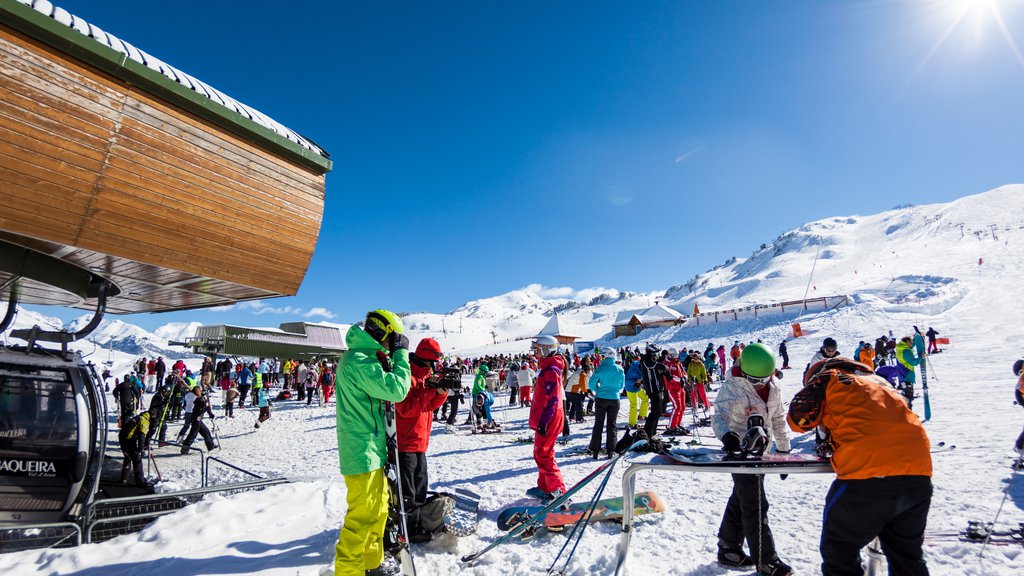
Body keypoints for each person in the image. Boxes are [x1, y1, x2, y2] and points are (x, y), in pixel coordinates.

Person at [789, 357, 932, 576]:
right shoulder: (880, 382)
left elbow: (797, 419)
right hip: (917, 472)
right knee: (907, 557)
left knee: (839, 550)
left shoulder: (829, 378)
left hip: (867, 476)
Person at [333, 309, 411, 576]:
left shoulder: (367, 358)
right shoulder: (359, 361)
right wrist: (401, 356)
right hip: (361, 451)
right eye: (394, 340)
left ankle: (371, 565)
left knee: (377, 512)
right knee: (360, 520)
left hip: (372, 449)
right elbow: (397, 390)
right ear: (384, 334)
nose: (394, 347)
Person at [712, 343, 792, 576]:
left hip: (762, 449)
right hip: (739, 450)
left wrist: (784, 452)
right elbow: (719, 417)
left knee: (742, 497)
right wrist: (727, 436)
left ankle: (728, 547)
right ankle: (767, 560)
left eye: (766, 379)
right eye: (756, 380)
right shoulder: (733, 386)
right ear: (744, 371)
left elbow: (777, 418)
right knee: (755, 503)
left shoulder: (773, 385)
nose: (761, 384)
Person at [395, 338, 448, 543]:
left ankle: (416, 522)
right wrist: (429, 390)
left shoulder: (426, 376)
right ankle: (409, 527)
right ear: (427, 359)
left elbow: (428, 406)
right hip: (406, 442)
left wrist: (440, 393)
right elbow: (406, 409)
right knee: (408, 491)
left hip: (420, 441)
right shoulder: (407, 376)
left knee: (420, 487)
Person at [527, 335, 567, 500]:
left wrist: (544, 421)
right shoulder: (548, 367)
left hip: (549, 416)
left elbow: (553, 399)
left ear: (545, 350)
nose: (535, 353)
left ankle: (558, 491)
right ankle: (545, 487)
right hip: (547, 415)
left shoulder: (551, 370)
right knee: (540, 453)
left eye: (537, 349)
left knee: (544, 455)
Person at [588, 350, 624, 458]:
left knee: (598, 424)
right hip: (614, 398)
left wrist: (598, 389)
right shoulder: (620, 369)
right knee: (612, 425)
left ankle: (595, 450)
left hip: (601, 398)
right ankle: (611, 450)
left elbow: (591, 384)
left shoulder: (601, 368)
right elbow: (622, 385)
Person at [638, 344, 670, 438]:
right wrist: (665, 369)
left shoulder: (649, 360)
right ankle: (649, 432)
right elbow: (655, 366)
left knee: (658, 411)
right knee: (654, 411)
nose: (657, 355)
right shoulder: (646, 361)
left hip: (657, 388)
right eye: (656, 353)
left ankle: (653, 432)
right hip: (653, 389)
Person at [118, 410, 151, 487]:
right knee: (137, 460)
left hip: (122, 437)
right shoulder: (144, 421)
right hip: (129, 440)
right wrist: (141, 449)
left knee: (127, 456)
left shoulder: (137, 418)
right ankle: (140, 481)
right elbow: (142, 436)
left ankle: (124, 478)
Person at [180, 386, 217, 454]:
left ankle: (210, 445)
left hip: (197, 418)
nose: (200, 392)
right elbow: (200, 411)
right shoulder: (197, 400)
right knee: (193, 434)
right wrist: (206, 408)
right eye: (199, 390)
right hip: (195, 418)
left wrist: (209, 411)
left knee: (206, 431)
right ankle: (185, 449)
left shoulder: (198, 398)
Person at [895, 336, 922, 409]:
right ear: (907, 342)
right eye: (911, 342)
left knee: (906, 398)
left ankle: (906, 415)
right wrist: (921, 357)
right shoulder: (906, 351)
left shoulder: (899, 348)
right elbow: (913, 362)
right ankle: (908, 416)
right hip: (907, 376)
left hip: (902, 376)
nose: (912, 344)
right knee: (908, 398)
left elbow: (911, 346)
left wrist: (917, 338)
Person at [624, 355, 648, 428]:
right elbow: (629, 379)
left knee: (645, 398)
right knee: (634, 405)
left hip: (637, 387)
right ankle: (632, 423)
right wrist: (636, 382)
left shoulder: (638, 366)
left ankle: (642, 415)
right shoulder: (636, 366)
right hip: (631, 388)